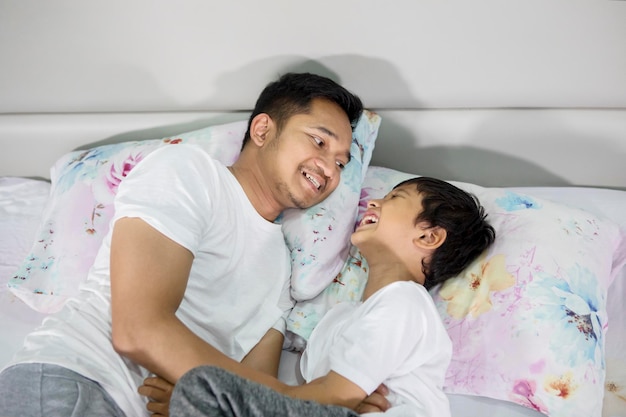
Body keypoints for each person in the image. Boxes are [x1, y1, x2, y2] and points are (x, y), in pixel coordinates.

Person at [0, 72, 364, 417]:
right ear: (263, 129)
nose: (330, 169)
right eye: (319, 141)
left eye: (341, 163)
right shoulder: (188, 172)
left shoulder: (282, 270)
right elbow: (138, 329)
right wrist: (298, 399)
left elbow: (252, 398)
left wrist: (207, 399)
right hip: (79, 380)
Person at [143, 176, 496, 417]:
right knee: (207, 388)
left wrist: (223, 402)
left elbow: (330, 397)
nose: (374, 201)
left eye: (394, 199)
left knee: (203, 387)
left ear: (430, 238)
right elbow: (316, 401)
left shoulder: (406, 303)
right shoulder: (339, 318)